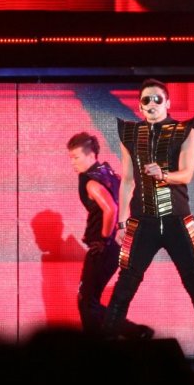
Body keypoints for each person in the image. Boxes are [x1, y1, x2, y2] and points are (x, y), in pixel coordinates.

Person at [102, 78, 194, 357]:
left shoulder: (186, 132)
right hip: (142, 220)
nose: (152, 104)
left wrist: (163, 174)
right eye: (146, 100)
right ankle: (105, 343)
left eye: (157, 99)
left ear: (168, 103)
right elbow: (127, 180)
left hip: (177, 220)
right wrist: (122, 222)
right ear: (139, 106)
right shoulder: (130, 134)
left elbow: (187, 174)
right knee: (126, 280)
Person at [67, 132, 155, 340]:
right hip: (116, 246)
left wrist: (104, 239)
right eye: (71, 157)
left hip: (104, 246)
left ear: (91, 155)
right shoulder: (107, 172)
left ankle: (119, 338)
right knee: (90, 301)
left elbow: (111, 209)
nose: (73, 162)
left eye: (76, 157)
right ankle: (134, 333)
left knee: (87, 301)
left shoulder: (90, 182)